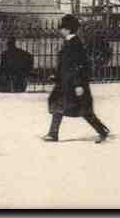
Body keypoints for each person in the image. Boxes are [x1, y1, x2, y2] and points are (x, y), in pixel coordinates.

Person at [42, 15, 110, 143]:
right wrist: (56, 75)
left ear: (68, 29)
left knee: (84, 110)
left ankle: (102, 131)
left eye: (62, 28)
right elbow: (64, 63)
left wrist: (78, 84)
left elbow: (79, 65)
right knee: (58, 105)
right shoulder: (69, 42)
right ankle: (53, 134)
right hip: (65, 82)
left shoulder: (75, 43)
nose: (60, 30)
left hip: (74, 83)